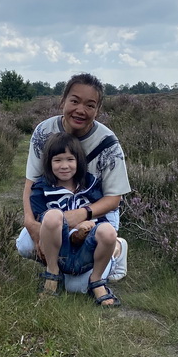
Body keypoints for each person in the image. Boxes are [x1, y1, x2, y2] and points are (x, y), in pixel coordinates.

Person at [17, 72, 130, 305]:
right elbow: (31, 184)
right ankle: (56, 266)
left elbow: (113, 200)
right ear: (63, 101)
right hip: (54, 207)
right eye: (75, 101)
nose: (81, 110)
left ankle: (116, 247)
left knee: (76, 287)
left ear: (97, 110)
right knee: (25, 244)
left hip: (97, 212)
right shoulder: (44, 132)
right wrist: (32, 223)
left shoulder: (108, 143)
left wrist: (81, 215)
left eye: (90, 105)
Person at [30, 132, 120, 306]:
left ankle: (97, 279)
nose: (64, 166)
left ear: (79, 162)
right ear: (48, 162)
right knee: (53, 215)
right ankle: (52, 274)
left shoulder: (91, 185)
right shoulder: (41, 189)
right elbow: (43, 221)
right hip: (60, 251)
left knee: (108, 231)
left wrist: (89, 223)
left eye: (70, 160)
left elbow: (102, 217)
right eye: (57, 160)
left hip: (86, 251)